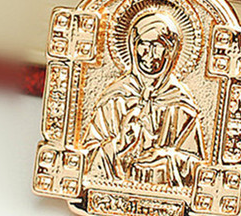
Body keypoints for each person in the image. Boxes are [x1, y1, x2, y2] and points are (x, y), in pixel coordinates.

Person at [81, 11, 205, 187]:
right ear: (133, 47)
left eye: (157, 46)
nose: (149, 55)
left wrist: (167, 159)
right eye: (143, 45)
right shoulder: (114, 99)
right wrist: (117, 146)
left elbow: (198, 168)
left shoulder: (181, 105)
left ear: (171, 52)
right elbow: (86, 154)